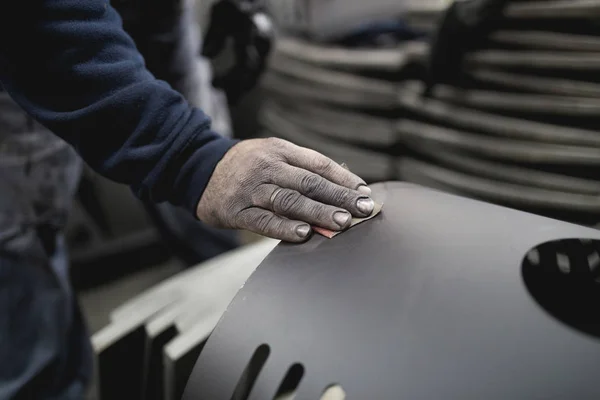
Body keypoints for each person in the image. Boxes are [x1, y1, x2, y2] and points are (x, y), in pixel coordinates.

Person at [0, 1, 374, 398]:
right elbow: (36, 25)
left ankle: (239, 325)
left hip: (158, 12)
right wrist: (188, 156)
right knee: (25, 280)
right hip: (33, 32)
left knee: (225, 194)